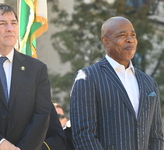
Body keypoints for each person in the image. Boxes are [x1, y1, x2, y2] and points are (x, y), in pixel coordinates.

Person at [0, 3, 65, 150]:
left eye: (13, 23)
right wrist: (0, 144)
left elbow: (41, 115)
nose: (10, 28)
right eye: (2, 23)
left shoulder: (37, 68)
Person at [70, 16, 164, 150]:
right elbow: (84, 136)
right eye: (122, 35)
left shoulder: (149, 82)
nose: (130, 39)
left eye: (133, 35)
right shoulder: (87, 78)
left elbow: (156, 136)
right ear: (106, 41)